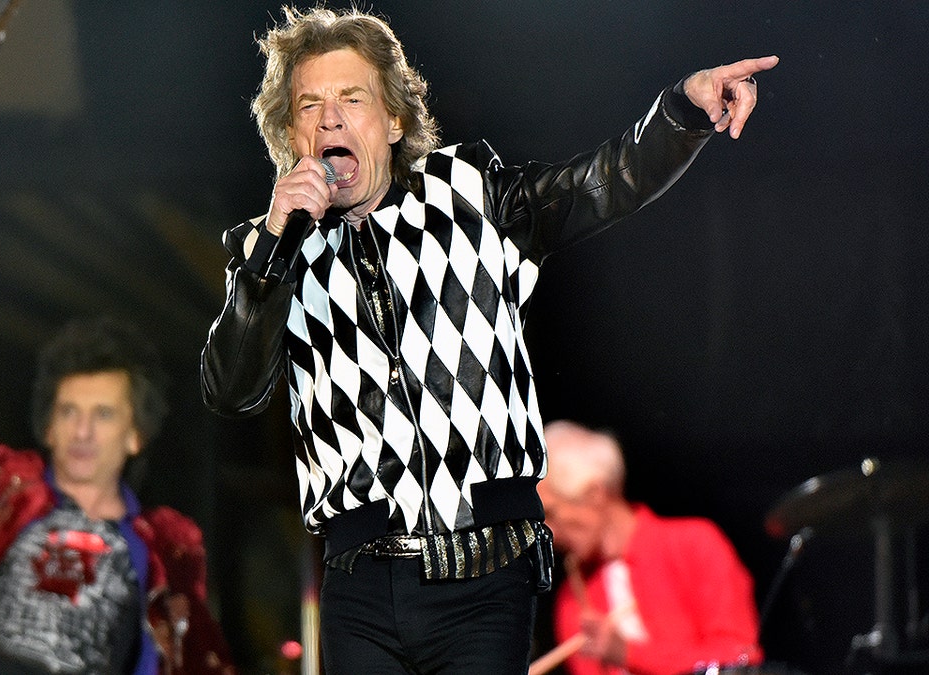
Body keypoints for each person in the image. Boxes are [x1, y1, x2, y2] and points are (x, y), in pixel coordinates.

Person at [199, 5, 776, 674]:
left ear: (391, 120)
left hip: (482, 573)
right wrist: (271, 252)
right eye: (309, 104)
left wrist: (681, 112)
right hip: (360, 582)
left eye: (351, 97)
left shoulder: (471, 196)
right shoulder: (269, 250)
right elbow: (231, 388)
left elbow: (600, 185)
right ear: (291, 132)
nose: (329, 117)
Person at [0, 186, 235, 674]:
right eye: (68, 412)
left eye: (103, 414)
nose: (82, 430)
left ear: (135, 435)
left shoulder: (165, 548)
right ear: (49, 427)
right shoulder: (2, 487)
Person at [538, 420, 763, 675]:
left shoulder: (693, 544)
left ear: (594, 493)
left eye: (550, 513)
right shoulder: (573, 600)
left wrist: (629, 653)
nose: (548, 533)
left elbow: (738, 657)